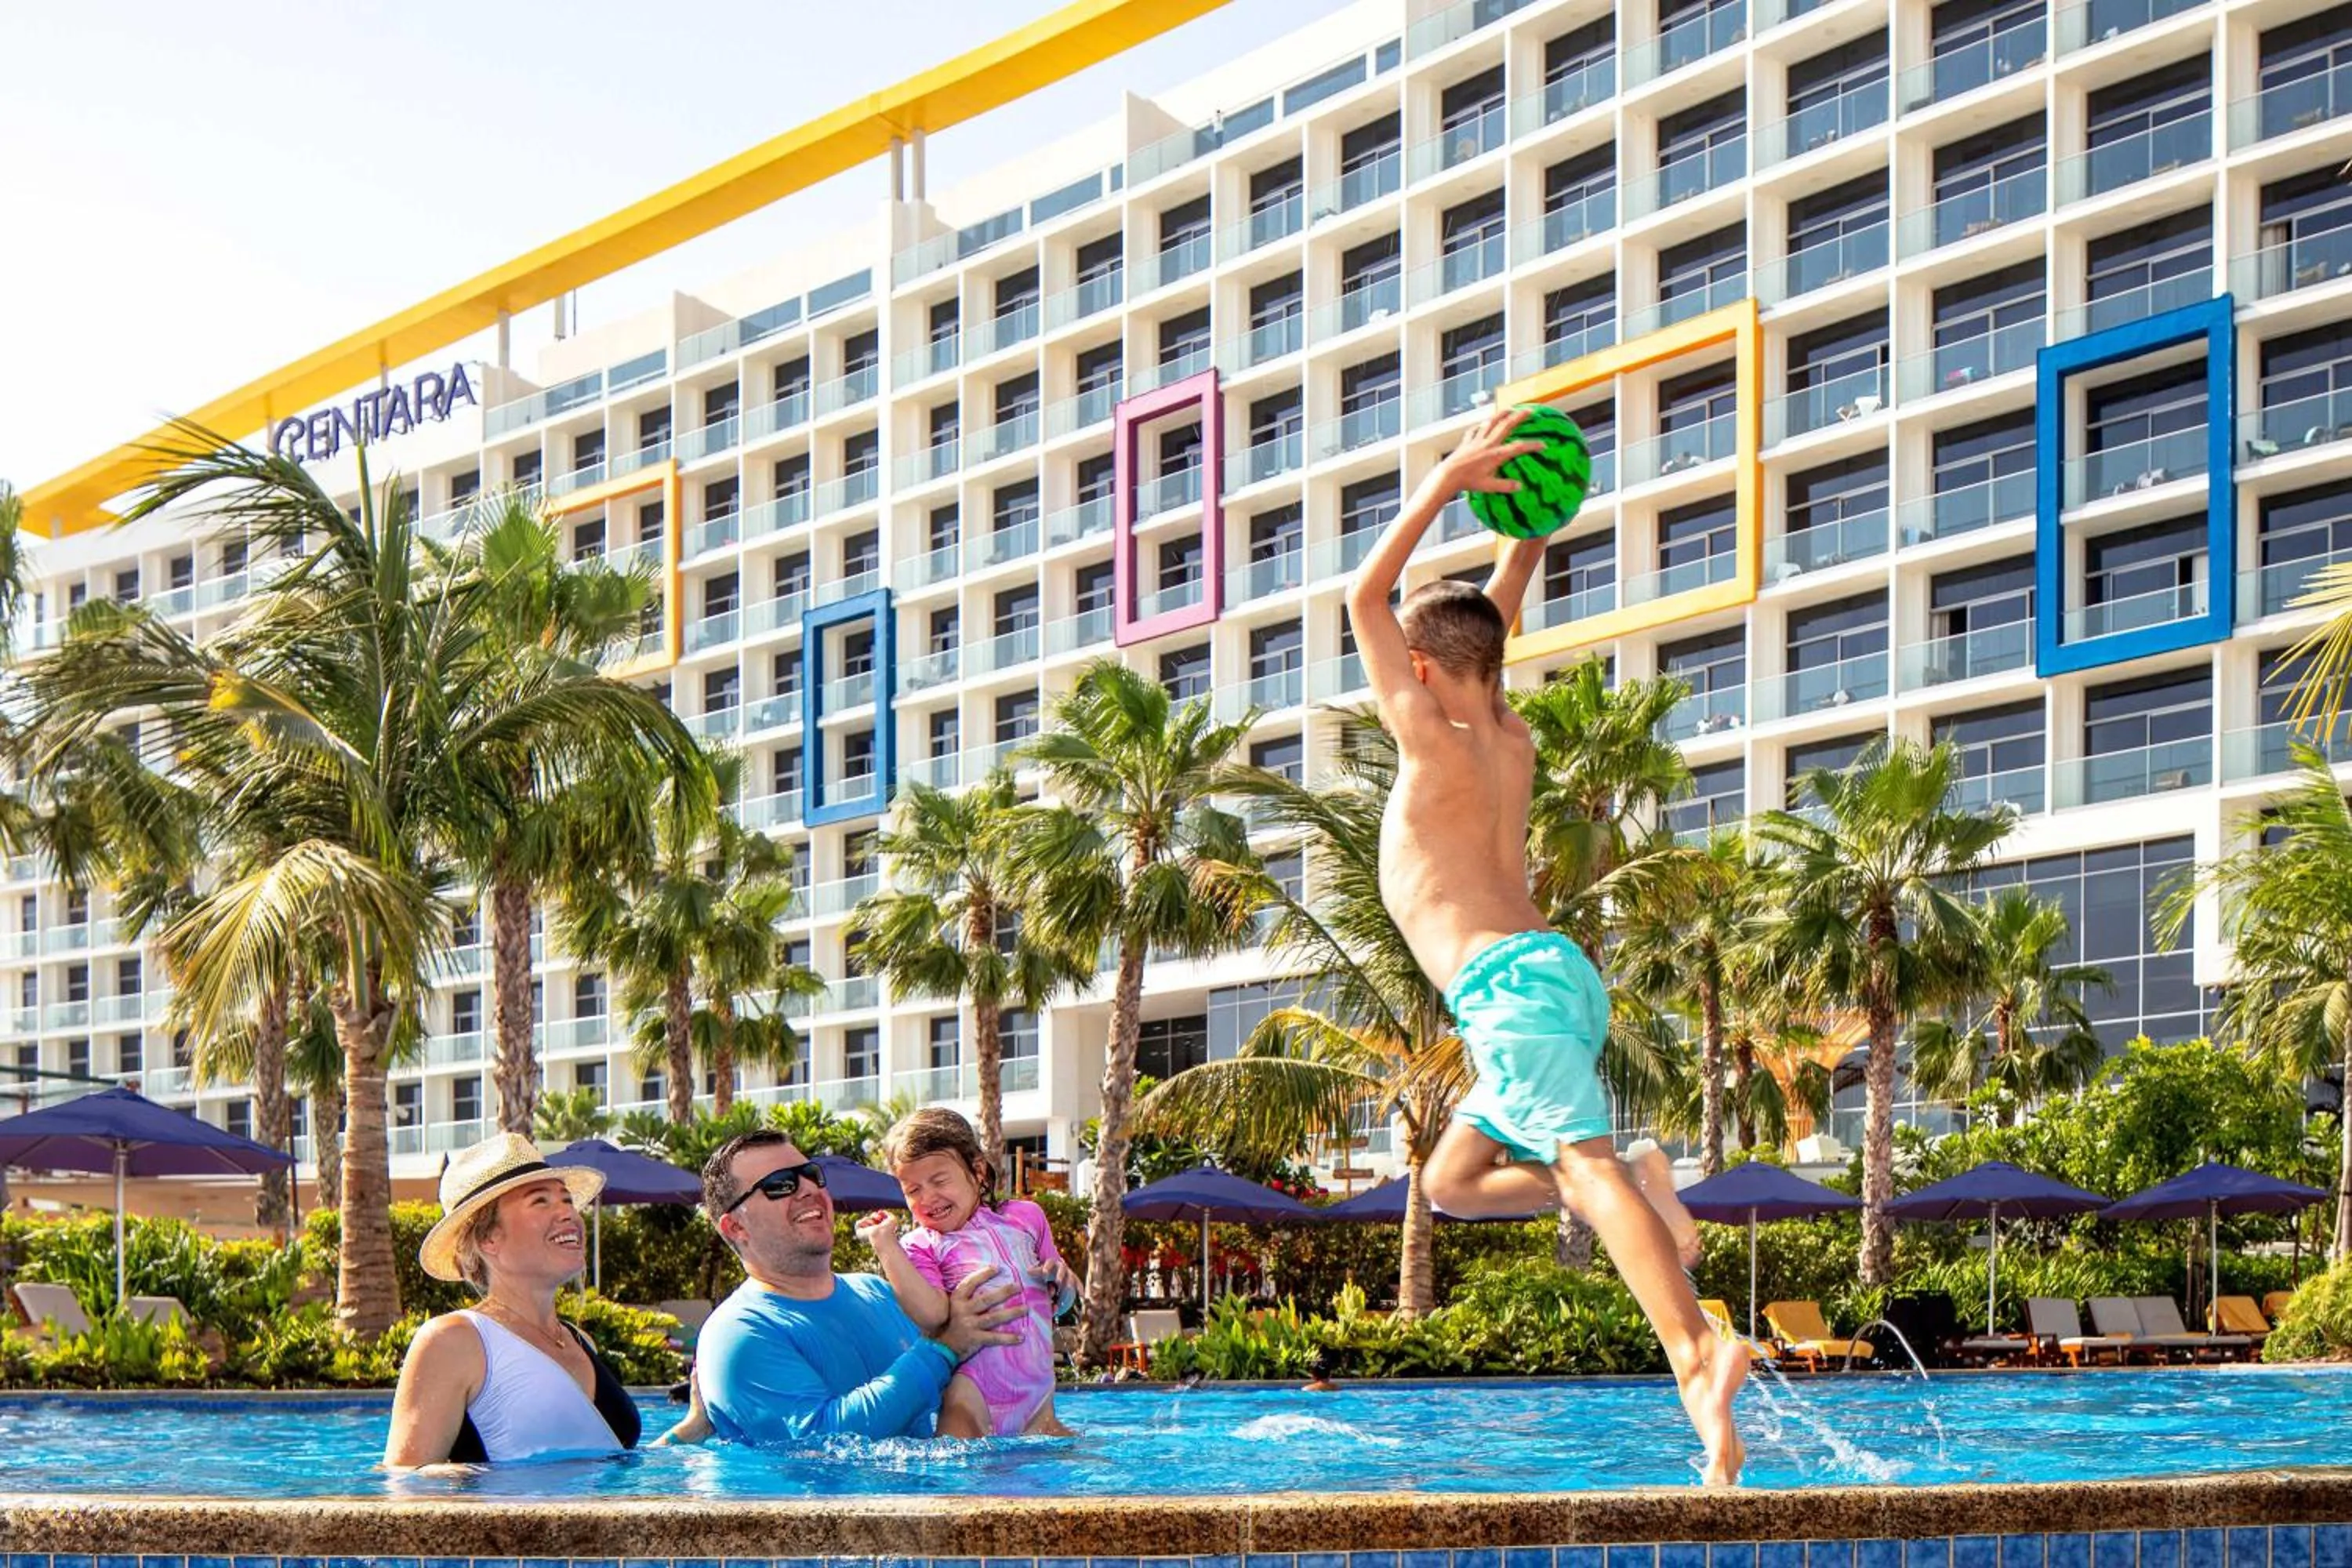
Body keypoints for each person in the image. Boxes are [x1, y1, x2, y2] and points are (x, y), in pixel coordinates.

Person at [1345, 406, 1747, 1486]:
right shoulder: (1504, 733)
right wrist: (1533, 519)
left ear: (1420, 669)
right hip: (1548, 978)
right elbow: (1488, 624)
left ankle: (1695, 1353)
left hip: (1510, 989)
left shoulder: (1427, 733)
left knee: (1580, 1162)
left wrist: (1446, 478)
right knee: (1452, 1180)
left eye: (1403, 660)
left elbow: (1361, 597)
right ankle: (1647, 1182)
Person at [672, 1129, 1025, 1443]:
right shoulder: (738, 1334)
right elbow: (826, 1443)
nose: (809, 1190)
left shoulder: (879, 1292)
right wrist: (945, 1348)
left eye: (811, 1175)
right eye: (780, 1185)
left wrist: (1044, 1291)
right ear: (735, 1227)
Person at [384, 1132, 641, 1465]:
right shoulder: (454, 1340)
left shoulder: (581, 1342)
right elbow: (404, 1483)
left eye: (566, 1200)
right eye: (541, 1201)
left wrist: (691, 1427)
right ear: (489, 1238)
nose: (568, 1214)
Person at [858, 1108, 1077, 1437]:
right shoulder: (922, 1245)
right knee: (959, 1482)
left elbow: (1060, 1298)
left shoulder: (1026, 1218)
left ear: (976, 1172)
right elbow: (931, 1315)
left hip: (1038, 1403)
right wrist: (886, 1245)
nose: (928, 1197)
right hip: (972, 1396)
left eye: (939, 1181)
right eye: (912, 1190)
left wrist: (1064, 1284)